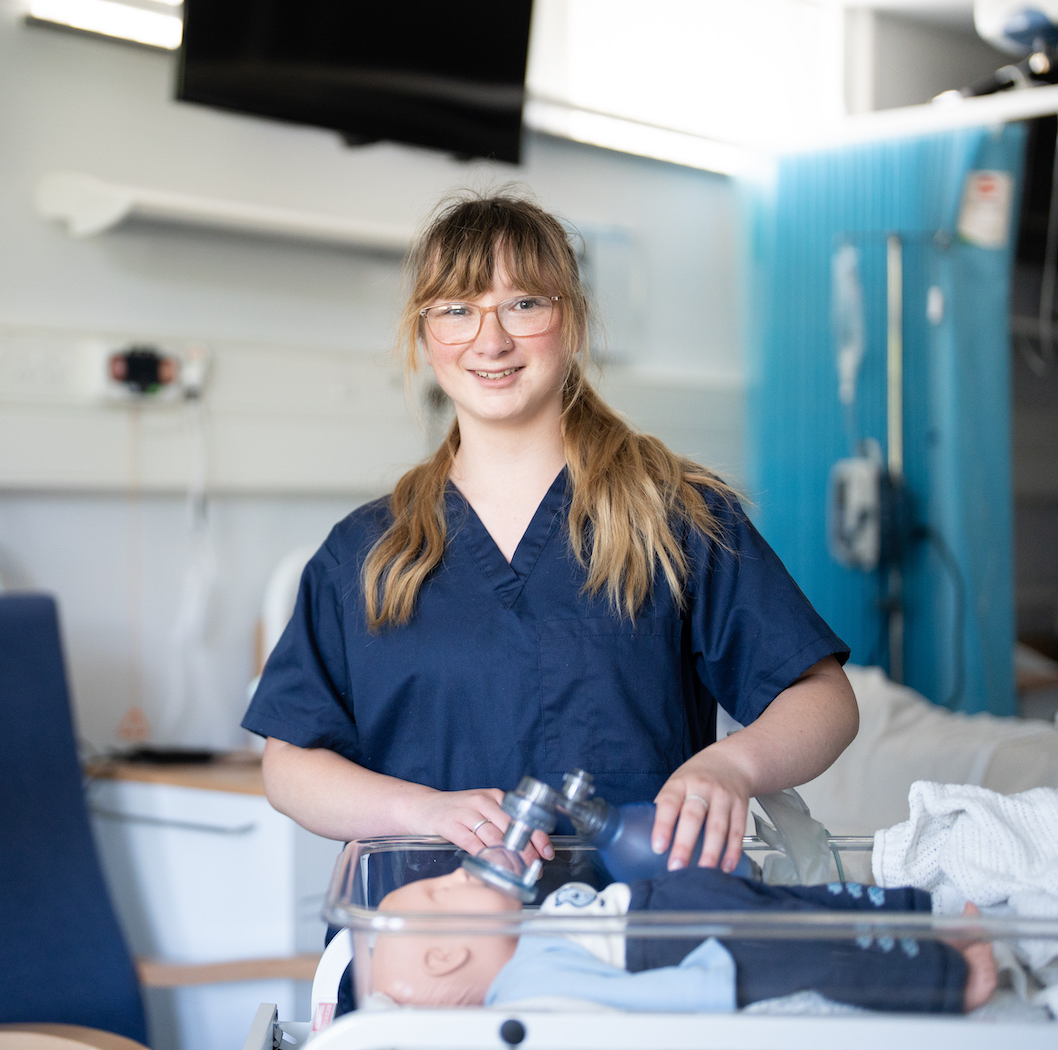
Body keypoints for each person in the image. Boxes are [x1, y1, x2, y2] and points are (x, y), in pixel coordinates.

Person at [242, 192, 860, 873]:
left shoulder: (674, 519)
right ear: (423, 337)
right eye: (456, 309)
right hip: (428, 947)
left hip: (630, 943)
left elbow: (823, 698)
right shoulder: (365, 554)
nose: (491, 338)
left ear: (572, 319)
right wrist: (421, 810)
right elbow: (290, 762)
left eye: (524, 303)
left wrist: (734, 765)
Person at [369, 866, 997, 1014]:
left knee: (804, 901)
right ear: (446, 954)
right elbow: (625, 1010)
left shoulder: (529, 935)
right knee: (811, 953)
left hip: (671, 906)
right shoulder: (528, 991)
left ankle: (923, 919)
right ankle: (952, 981)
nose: (457, 872)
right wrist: (708, 982)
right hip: (678, 944)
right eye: (441, 891)